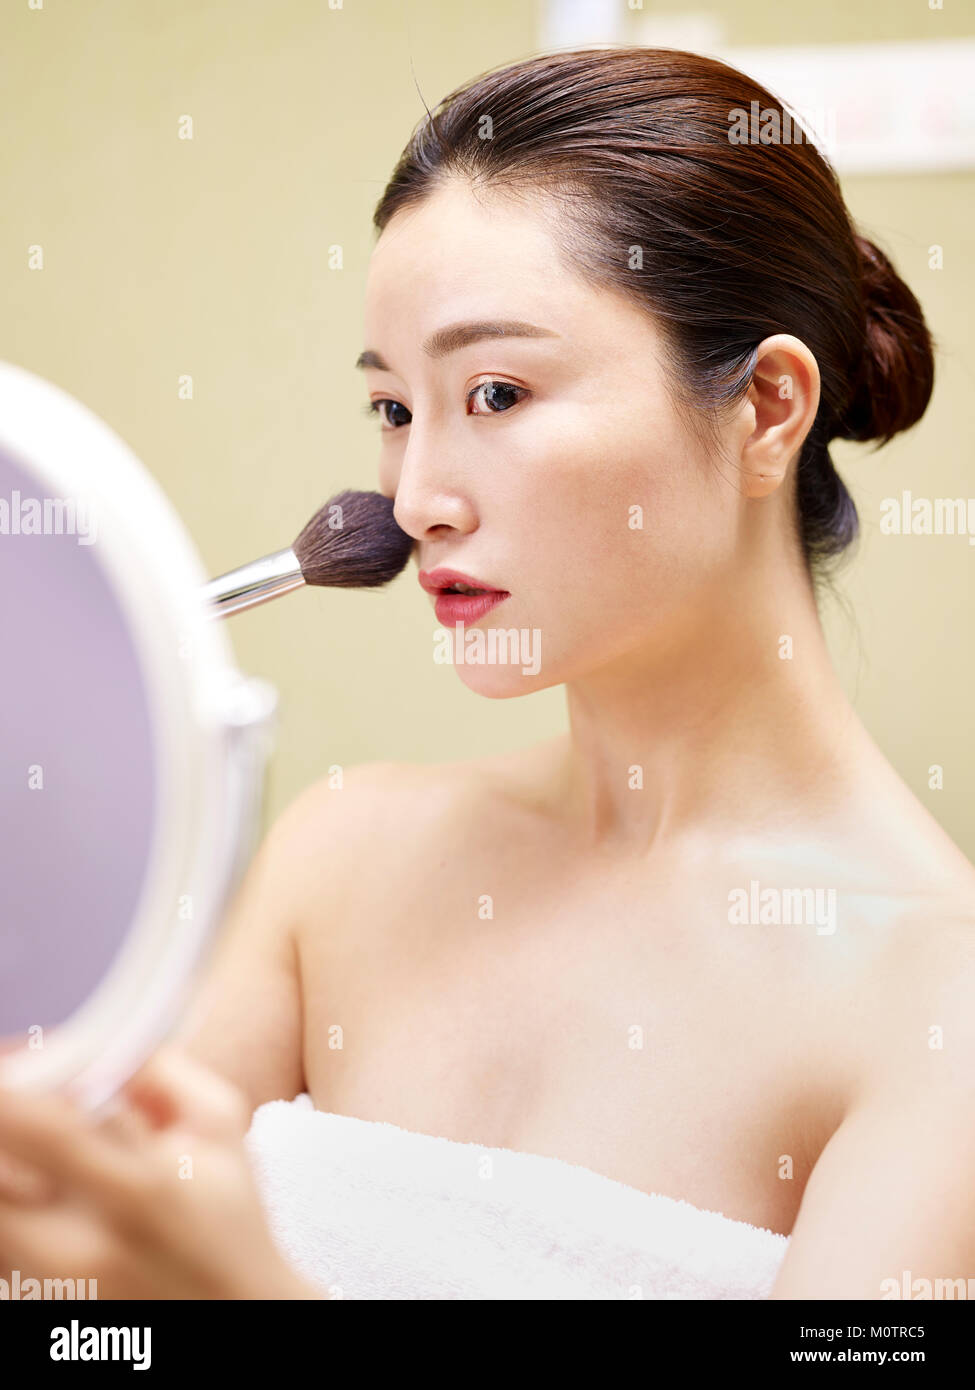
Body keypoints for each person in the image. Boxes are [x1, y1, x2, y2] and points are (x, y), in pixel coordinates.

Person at [2, 46, 973, 1300]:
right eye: (396, 410)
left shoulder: (936, 1014)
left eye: (498, 391)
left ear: (769, 409)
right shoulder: (339, 860)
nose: (416, 502)